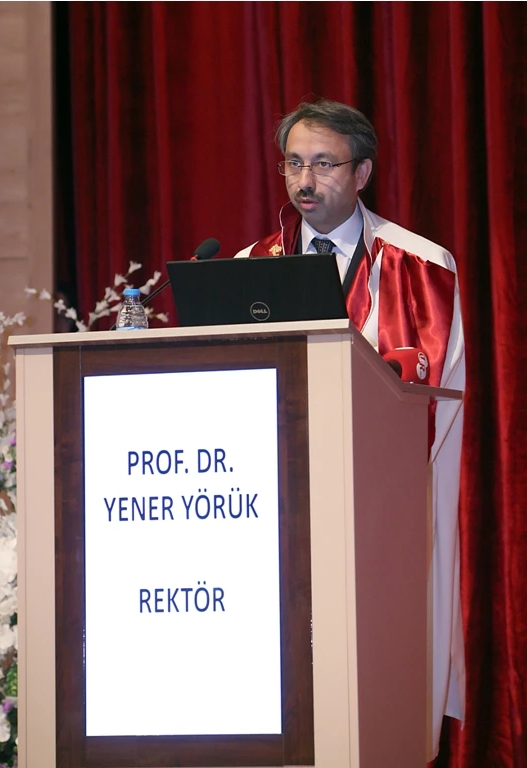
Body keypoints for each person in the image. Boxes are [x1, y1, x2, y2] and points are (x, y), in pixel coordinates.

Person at [236, 99, 465, 762]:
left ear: (361, 173)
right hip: (276, 512)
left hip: (381, 512)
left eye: (324, 164)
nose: (305, 180)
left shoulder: (420, 268)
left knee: (374, 689)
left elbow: (435, 402)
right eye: (293, 164)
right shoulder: (251, 265)